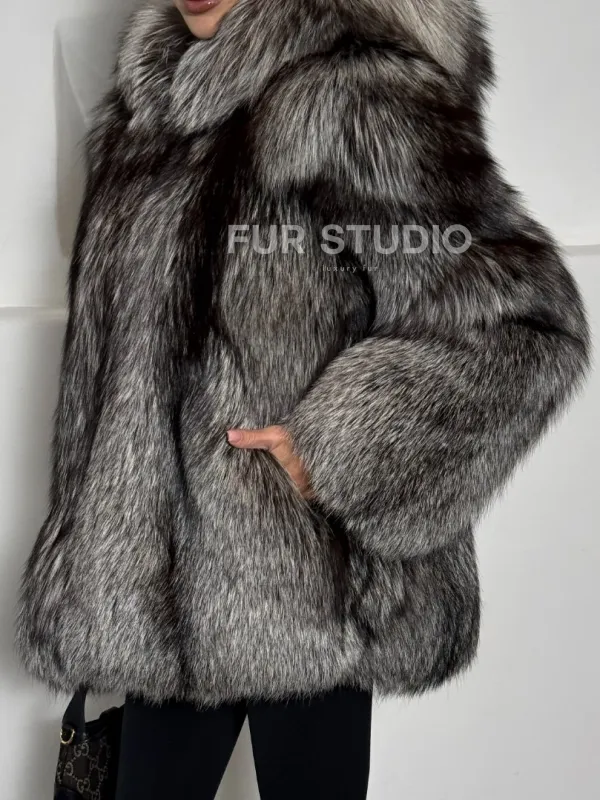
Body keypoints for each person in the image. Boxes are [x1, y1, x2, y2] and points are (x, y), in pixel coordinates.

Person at [16, 0, 589, 798]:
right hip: (154, 605)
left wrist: (342, 451)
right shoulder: (146, 111)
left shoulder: (348, 95)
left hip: (313, 591)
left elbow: (523, 318)